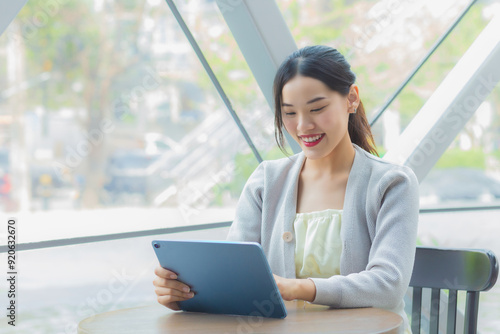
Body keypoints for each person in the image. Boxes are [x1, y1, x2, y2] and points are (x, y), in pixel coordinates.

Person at [153, 45, 419, 334]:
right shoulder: (266, 181)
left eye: (317, 108)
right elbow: (235, 277)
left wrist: (297, 288)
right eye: (289, 113)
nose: (304, 126)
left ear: (351, 99)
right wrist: (183, 294)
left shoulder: (393, 183)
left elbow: (387, 286)